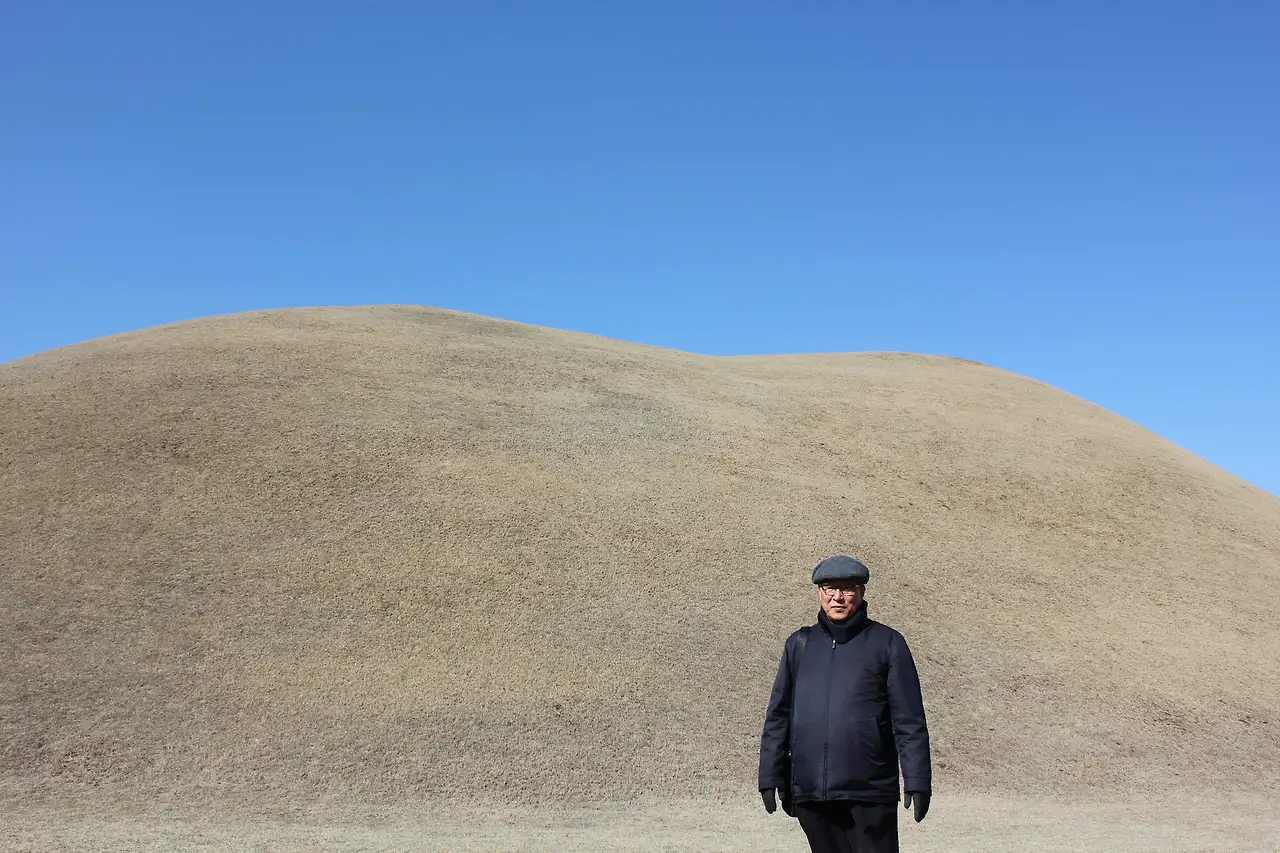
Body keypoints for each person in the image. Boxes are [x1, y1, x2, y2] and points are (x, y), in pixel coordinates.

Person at [759, 555, 932, 853]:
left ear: (861, 592)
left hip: (870, 792)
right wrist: (770, 775)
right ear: (819, 592)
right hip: (813, 792)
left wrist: (917, 780)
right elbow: (778, 716)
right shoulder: (799, 645)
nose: (837, 597)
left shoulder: (888, 644)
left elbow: (909, 720)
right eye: (829, 588)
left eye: (847, 588)